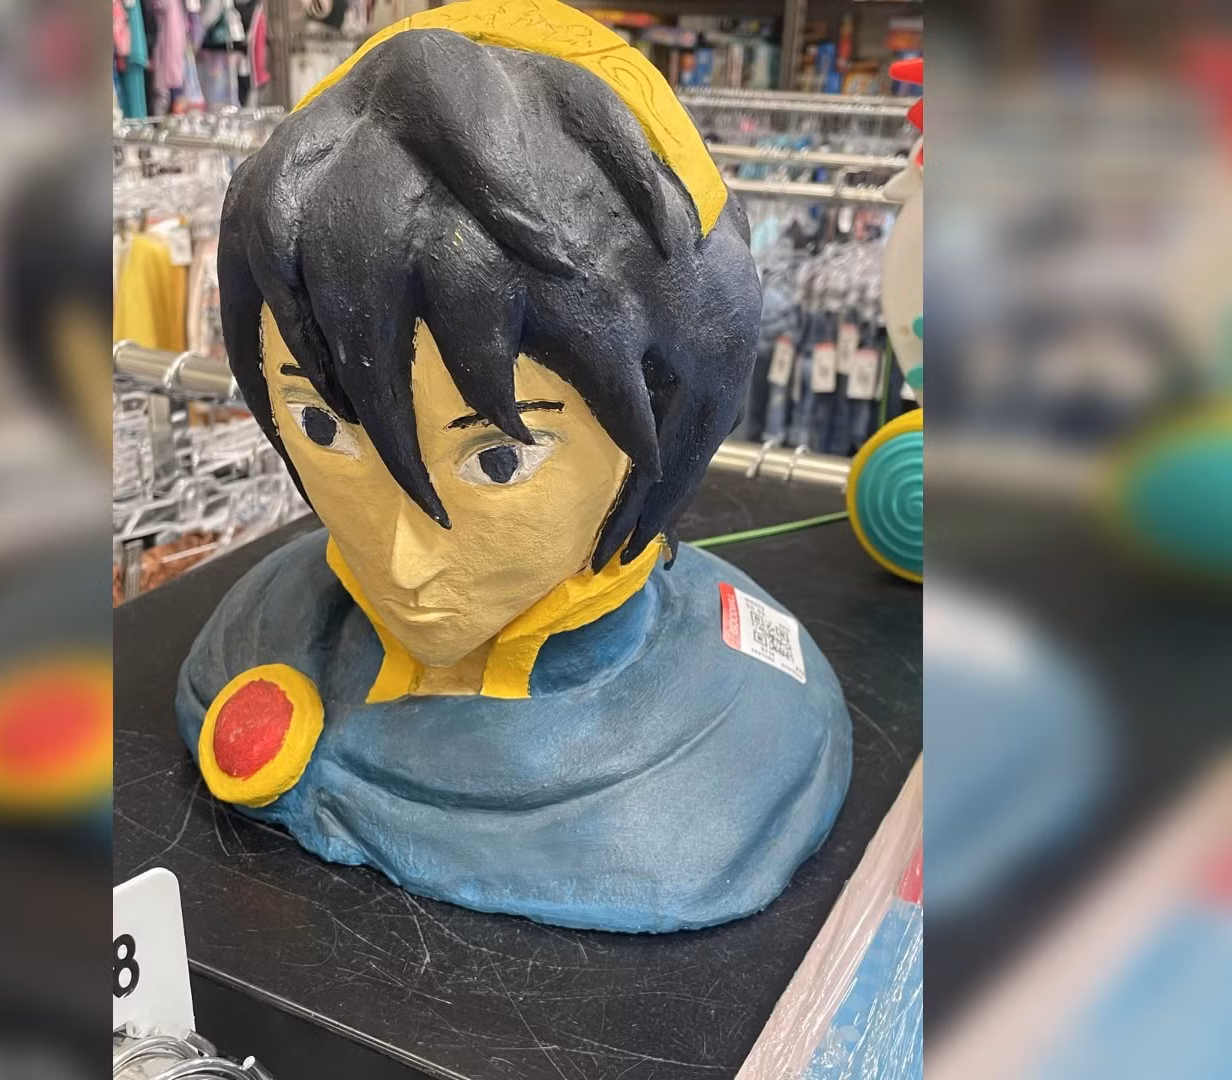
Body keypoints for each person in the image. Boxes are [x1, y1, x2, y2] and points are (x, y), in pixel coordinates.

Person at [181, 0, 852, 932]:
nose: (403, 561)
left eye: (498, 458)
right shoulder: (264, 631)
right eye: (323, 427)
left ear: (672, 418)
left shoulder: (727, 752)